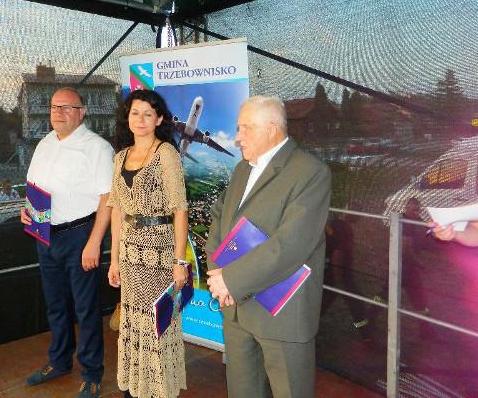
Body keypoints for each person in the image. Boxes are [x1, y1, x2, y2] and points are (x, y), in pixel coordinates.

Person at [205, 96, 331, 398]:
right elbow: (219, 219)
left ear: (272, 128)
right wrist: (218, 273)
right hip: (236, 308)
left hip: (281, 314)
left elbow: (291, 244)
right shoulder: (242, 170)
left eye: (245, 128)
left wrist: (230, 280)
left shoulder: (310, 172)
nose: (237, 137)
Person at [21, 87, 114, 398]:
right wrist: (26, 210)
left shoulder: (97, 147)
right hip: (45, 233)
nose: (58, 112)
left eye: (67, 107)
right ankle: (59, 361)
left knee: (86, 309)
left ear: (82, 112)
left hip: (80, 236)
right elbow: (34, 186)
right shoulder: (44, 144)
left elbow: (108, 198)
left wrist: (94, 243)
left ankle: (92, 374)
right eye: (54, 107)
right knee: (56, 304)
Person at [107, 89, 188, 398]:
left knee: (157, 324)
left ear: (159, 119)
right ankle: (136, 388)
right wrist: (114, 259)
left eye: (147, 114)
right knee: (133, 324)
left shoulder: (166, 153)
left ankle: (158, 390)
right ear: (127, 118)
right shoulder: (120, 157)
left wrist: (179, 262)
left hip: (159, 256)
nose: (140, 120)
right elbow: (116, 210)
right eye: (135, 113)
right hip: (129, 256)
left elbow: (180, 210)